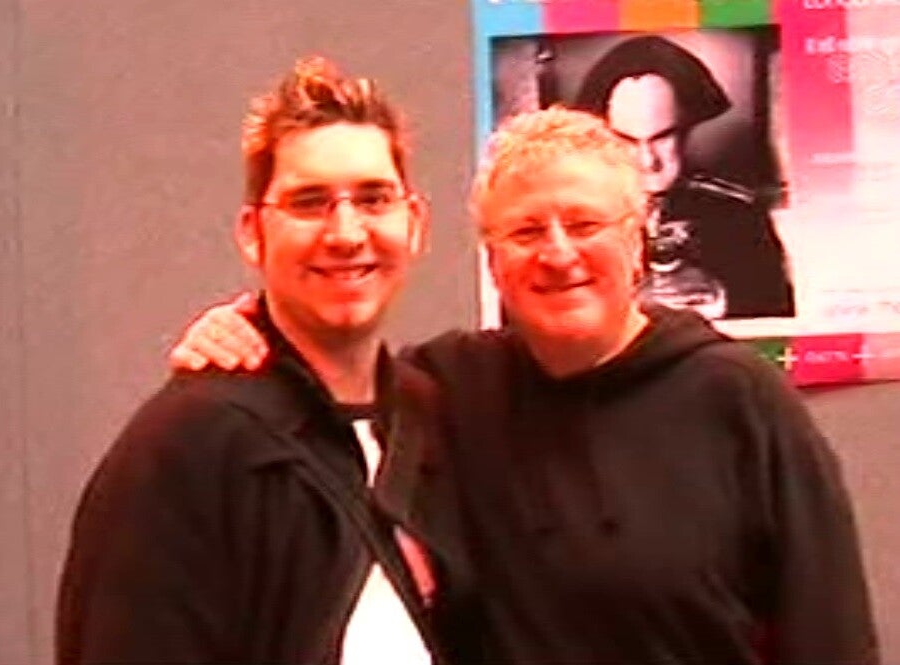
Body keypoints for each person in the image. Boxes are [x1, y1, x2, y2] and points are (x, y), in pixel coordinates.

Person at [170, 107, 878, 664]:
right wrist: (243, 330)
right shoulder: (439, 392)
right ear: (493, 260)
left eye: (584, 223)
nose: (558, 253)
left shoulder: (740, 403)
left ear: (637, 239)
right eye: (526, 231)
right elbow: (322, 385)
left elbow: (830, 636)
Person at [56, 56, 477, 665]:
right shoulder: (187, 450)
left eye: (374, 198)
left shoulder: (437, 420)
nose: (346, 233)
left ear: (414, 223)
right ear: (252, 233)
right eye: (309, 202)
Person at [573, 34, 795, 320]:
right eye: (627, 141)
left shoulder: (735, 212)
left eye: (663, 137)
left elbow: (779, 306)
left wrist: (716, 298)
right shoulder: (575, 216)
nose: (648, 161)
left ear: (686, 131)